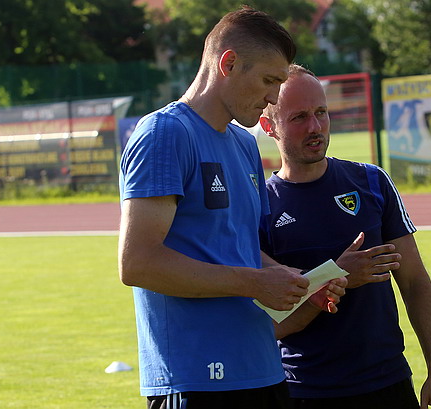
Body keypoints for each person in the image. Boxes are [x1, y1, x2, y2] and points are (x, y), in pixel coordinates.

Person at [118, 9, 345, 409]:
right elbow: (138, 263)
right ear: (229, 64)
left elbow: (237, 247)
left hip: (263, 369)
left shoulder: (244, 144)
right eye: (269, 81)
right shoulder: (164, 134)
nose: (274, 97)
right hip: (196, 378)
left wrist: (296, 281)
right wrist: (255, 283)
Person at [259, 64, 431, 409]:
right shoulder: (259, 205)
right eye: (299, 117)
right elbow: (268, 323)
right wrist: (338, 274)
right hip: (303, 391)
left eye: (321, 112)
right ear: (268, 126)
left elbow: (414, 282)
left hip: (387, 382)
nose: (315, 127)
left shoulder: (371, 182)